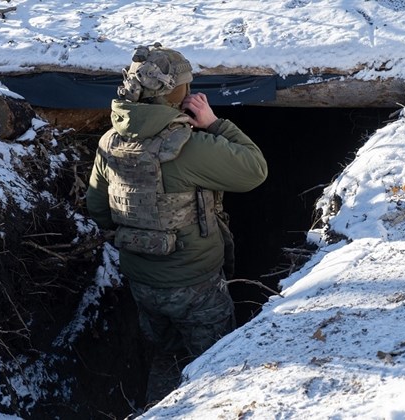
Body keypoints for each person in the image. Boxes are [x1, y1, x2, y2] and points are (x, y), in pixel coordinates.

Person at [85, 42, 268, 406]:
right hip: (196, 285)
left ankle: (160, 410)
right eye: (185, 86)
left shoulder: (110, 142)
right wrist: (214, 123)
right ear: (172, 93)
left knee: (166, 355)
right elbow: (254, 170)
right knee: (215, 364)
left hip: (142, 282)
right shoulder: (189, 145)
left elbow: (99, 212)